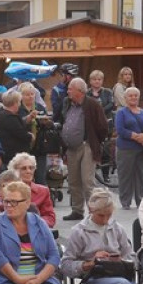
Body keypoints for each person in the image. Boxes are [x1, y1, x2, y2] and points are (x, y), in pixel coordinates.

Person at [60, 78, 109, 221]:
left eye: (70, 88)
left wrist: (93, 141)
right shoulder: (69, 104)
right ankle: (77, 210)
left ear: (79, 91)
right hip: (71, 148)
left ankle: (93, 211)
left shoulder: (92, 104)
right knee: (73, 181)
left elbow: (103, 127)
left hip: (86, 146)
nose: (68, 91)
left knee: (87, 181)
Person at [114, 87, 143, 209]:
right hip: (126, 148)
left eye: (136, 95)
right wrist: (137, 137)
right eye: (130, 96)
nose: (133, 98)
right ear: (125, 98)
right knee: (125, 175)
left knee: (141, 175)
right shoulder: (121, 112)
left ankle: (140, 200)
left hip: (141, 149)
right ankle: (125, 202)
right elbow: (120, 130)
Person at [8, 153, 56, 227]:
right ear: (15, 171)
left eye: (31, 168)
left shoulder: (43, 191)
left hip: (36, 230)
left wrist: (34, 223)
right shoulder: (7, 190)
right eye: (24, 168)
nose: (28, 171)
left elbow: (50, 217)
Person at [0, 91, 32, 167]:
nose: (19, 105)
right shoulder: (10, 117)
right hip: (12, 157)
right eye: (19, 102)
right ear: (15, 103)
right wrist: (31, 136)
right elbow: (22, 134)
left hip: (6, 154)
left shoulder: (0, 113)